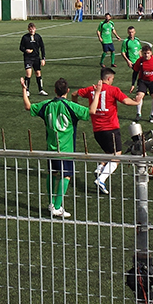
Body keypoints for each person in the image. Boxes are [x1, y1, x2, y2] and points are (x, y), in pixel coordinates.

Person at [22, 76, 97, 219]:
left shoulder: (47, 104)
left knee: (52, 174)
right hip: (66, 149)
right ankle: (57, 207)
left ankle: (51, 203)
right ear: (67, 91)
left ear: (55, 90)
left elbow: (28, 106)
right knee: (66, 176)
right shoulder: (70, 106)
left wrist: (24, 91)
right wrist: (97, 93)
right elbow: (91, 111)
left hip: (51, 148)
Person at [73, 67, 138, 195]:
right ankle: (101, 179)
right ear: (109, 78)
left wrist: (77, 109)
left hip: (97, 130)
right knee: (116, 156)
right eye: (112, 79)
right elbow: (125, 101)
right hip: (111, 128)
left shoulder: (91, 89)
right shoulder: (113, 90)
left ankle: (100, 167)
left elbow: (74, 94)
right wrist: (137, 102)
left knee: (109, 152)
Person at [131, 43, 153, 123]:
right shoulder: (139, 61)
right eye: (145, 53)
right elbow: (135, 72)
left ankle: (152, 115)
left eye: (148, 53)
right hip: (142, 81)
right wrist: (133, 84)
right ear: (142, 53)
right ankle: (138, 114)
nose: (146, 55)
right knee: (139, 96)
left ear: (151, 53)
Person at [19, 22, 47, 95]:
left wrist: (43, 58)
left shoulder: (38, 37)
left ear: (35, 29)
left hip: (36, 58)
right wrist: (26, 50)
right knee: (28, 74)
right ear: (28, 29)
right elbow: (21, 47)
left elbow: (42, 48)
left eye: (33, 29)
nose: (32, 30)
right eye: (30, 29)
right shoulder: (25, 37)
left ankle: (41, 90)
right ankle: (27, 90)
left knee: (38, 73)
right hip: (28, 58)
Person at [121, 26, 143, 91]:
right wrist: (128, 61)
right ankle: (138, 87)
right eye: (130, 32)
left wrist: (142, 59)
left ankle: (137, 87)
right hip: (132, 61)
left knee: (141, 73)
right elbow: (123, 52)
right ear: (128, 32)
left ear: (135, 32)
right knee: (139, 72)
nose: (131, 34)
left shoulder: (137, 40)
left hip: (139, 60)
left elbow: (139, 50)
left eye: (132, 32)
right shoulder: (126, 42)